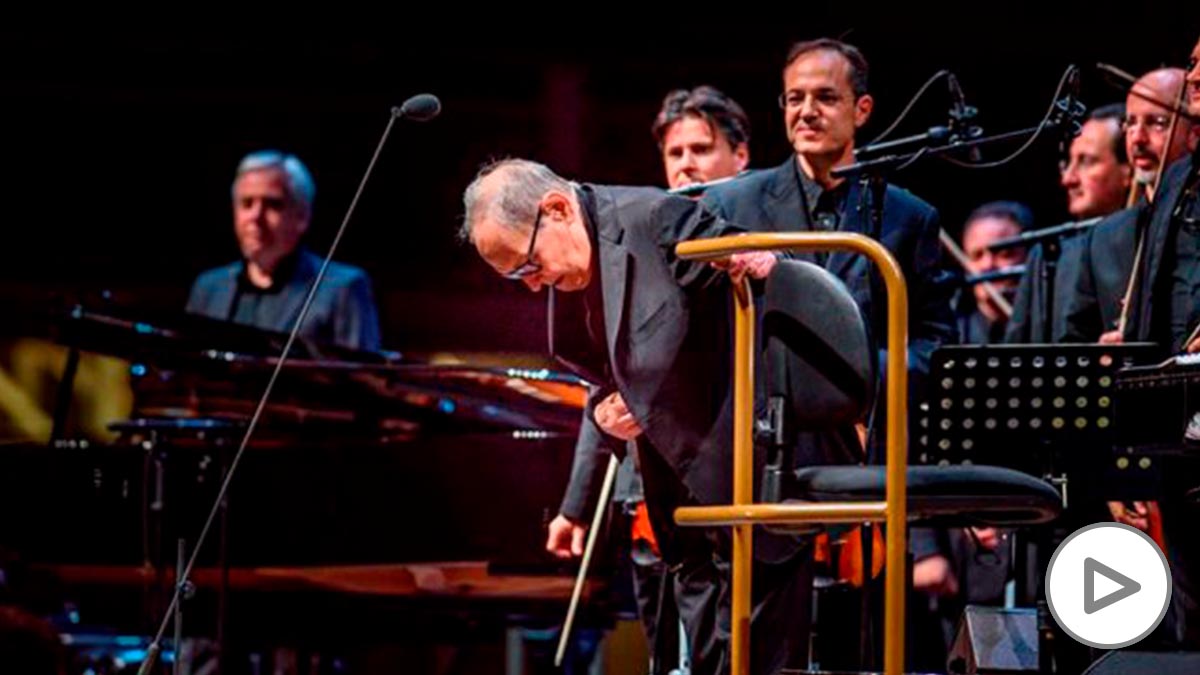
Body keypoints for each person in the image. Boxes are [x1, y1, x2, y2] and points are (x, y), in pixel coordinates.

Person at [461, 157, 794, 674]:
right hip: (681, 504)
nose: (531, 286)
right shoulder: (570, 265)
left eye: (527, 266)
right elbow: (603, 380)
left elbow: (764, 275)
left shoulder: (656, 219)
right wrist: (604, 415)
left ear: (557, 209)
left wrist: (757, 259)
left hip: (745, 482)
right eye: (515, 278)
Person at [697, 37, 957, 671]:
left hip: (864, 460)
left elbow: (934, 342)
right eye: (794, 98)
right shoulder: (732, 204)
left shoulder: (908, 216)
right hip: (762, 460)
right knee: (762, 648)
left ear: (862, 109)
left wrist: (872, 384)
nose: (806, 111)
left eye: (825, 97)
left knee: (863, 646)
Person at [548, 84, 752, 673]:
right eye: (674, 153)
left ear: (740, 156)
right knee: (667, 652)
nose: (685, 163)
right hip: (648, 489)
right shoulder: (631, 243)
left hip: (727, 470)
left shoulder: (750, 230)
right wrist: (576, 505)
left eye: (701, 148)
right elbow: (606, 383)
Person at [187, 150, 382, 351]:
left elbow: (362, 379)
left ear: (302, 216)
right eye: (247, 204)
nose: (255, 216)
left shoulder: (344, 288)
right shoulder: (208, 288)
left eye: (272, 204)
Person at [1006, 105, 1132, 344]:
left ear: (1129, 168)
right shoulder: (1052, 254)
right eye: (1068, 163)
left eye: (1087, 162)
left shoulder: (1154, 239)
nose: (1068, 179)